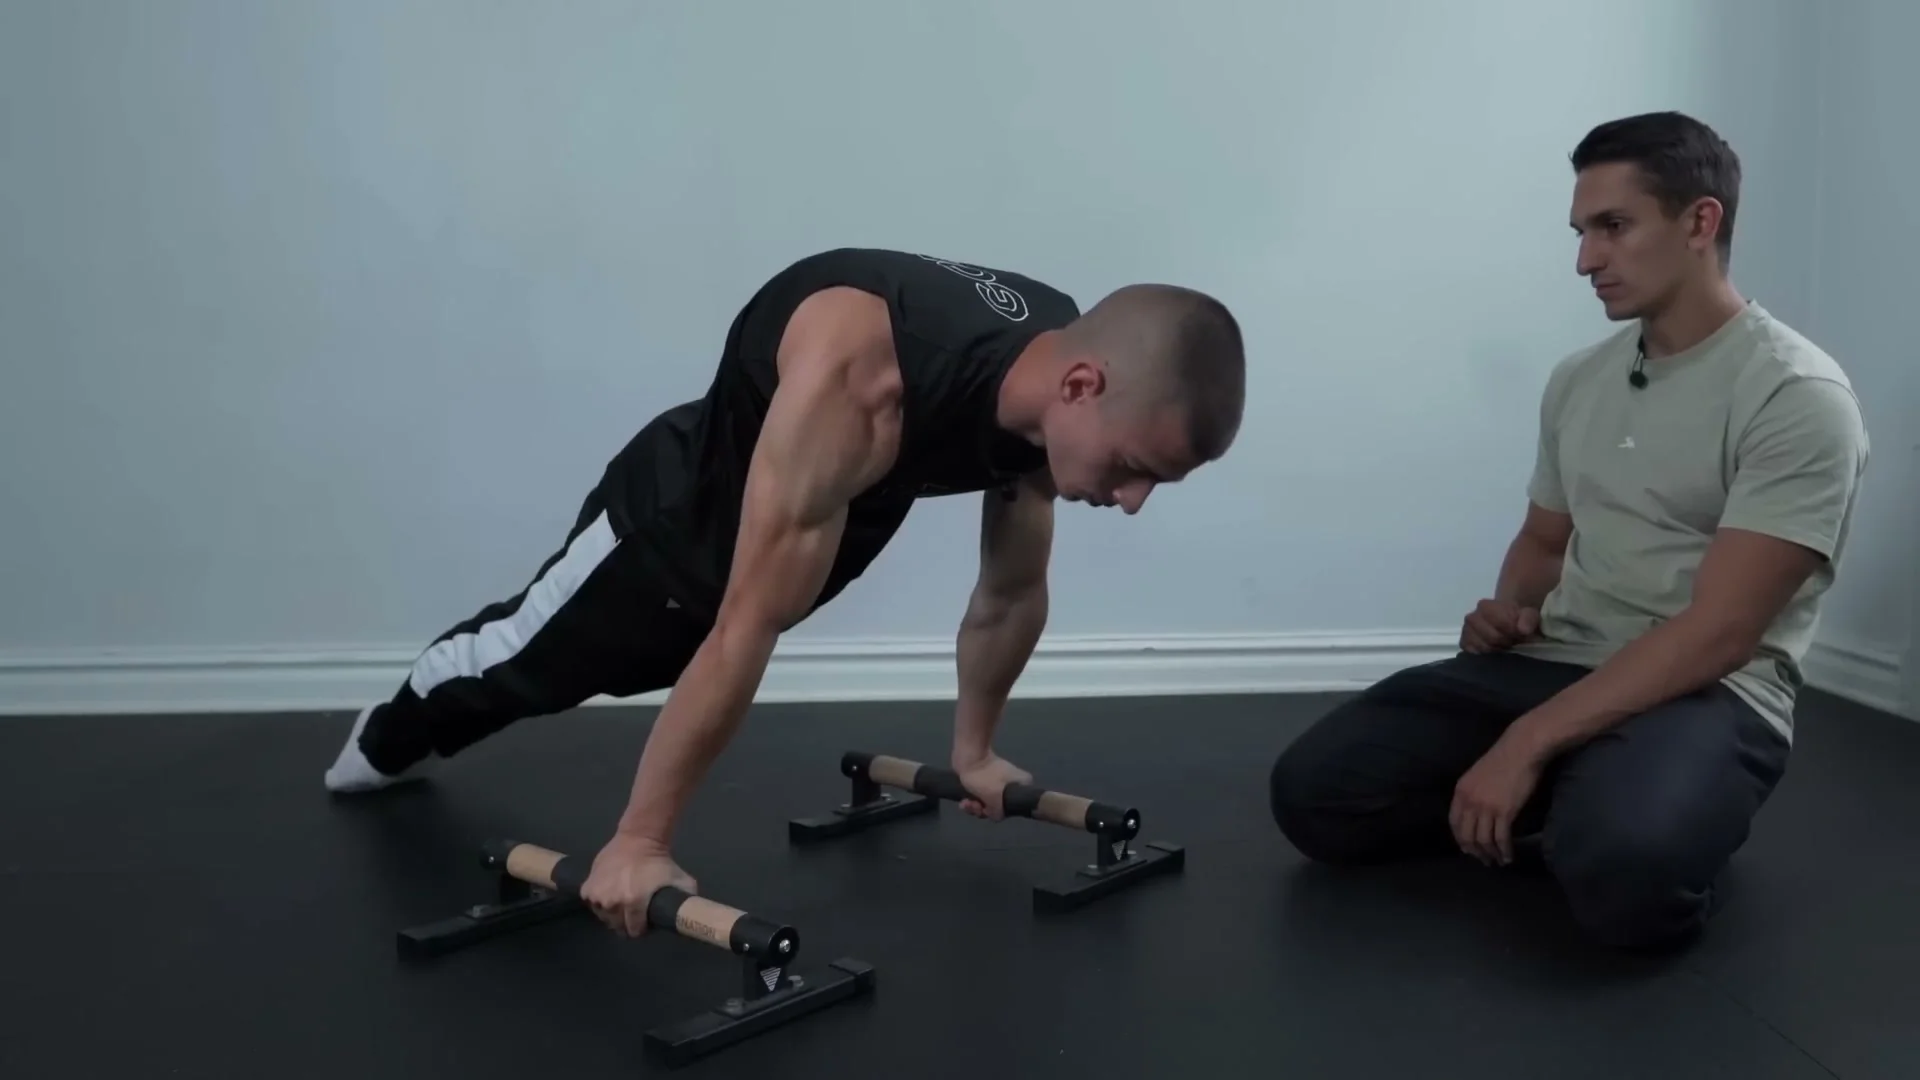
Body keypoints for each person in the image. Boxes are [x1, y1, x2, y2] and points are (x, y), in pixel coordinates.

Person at [324, 246, 1247, 937]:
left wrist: (975, 754)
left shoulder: (1054, 373)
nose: (1133, 501)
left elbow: (1010, 588)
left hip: (823, 517)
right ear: (1082, 385)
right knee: (529, 667)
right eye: (1135, 468)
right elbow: (744, 627)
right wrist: (640, 844)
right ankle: (393, 728)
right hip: (674, 524)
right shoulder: (865, 382)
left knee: (679, 661)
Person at [1268, 111, 1869, 952]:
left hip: (1709, 691)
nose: (1585, 259)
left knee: (1629, 874)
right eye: (1582, 231)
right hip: (1556, 662)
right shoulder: (1579, 379)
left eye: (1613, 227)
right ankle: (1582, 800)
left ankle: (1613, 811)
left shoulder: (1797, 395)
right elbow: (1544, 544)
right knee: (1314, 793)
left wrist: (1526, 742)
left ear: (1701, 222)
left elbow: (1722, 632)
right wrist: (1510, 611)